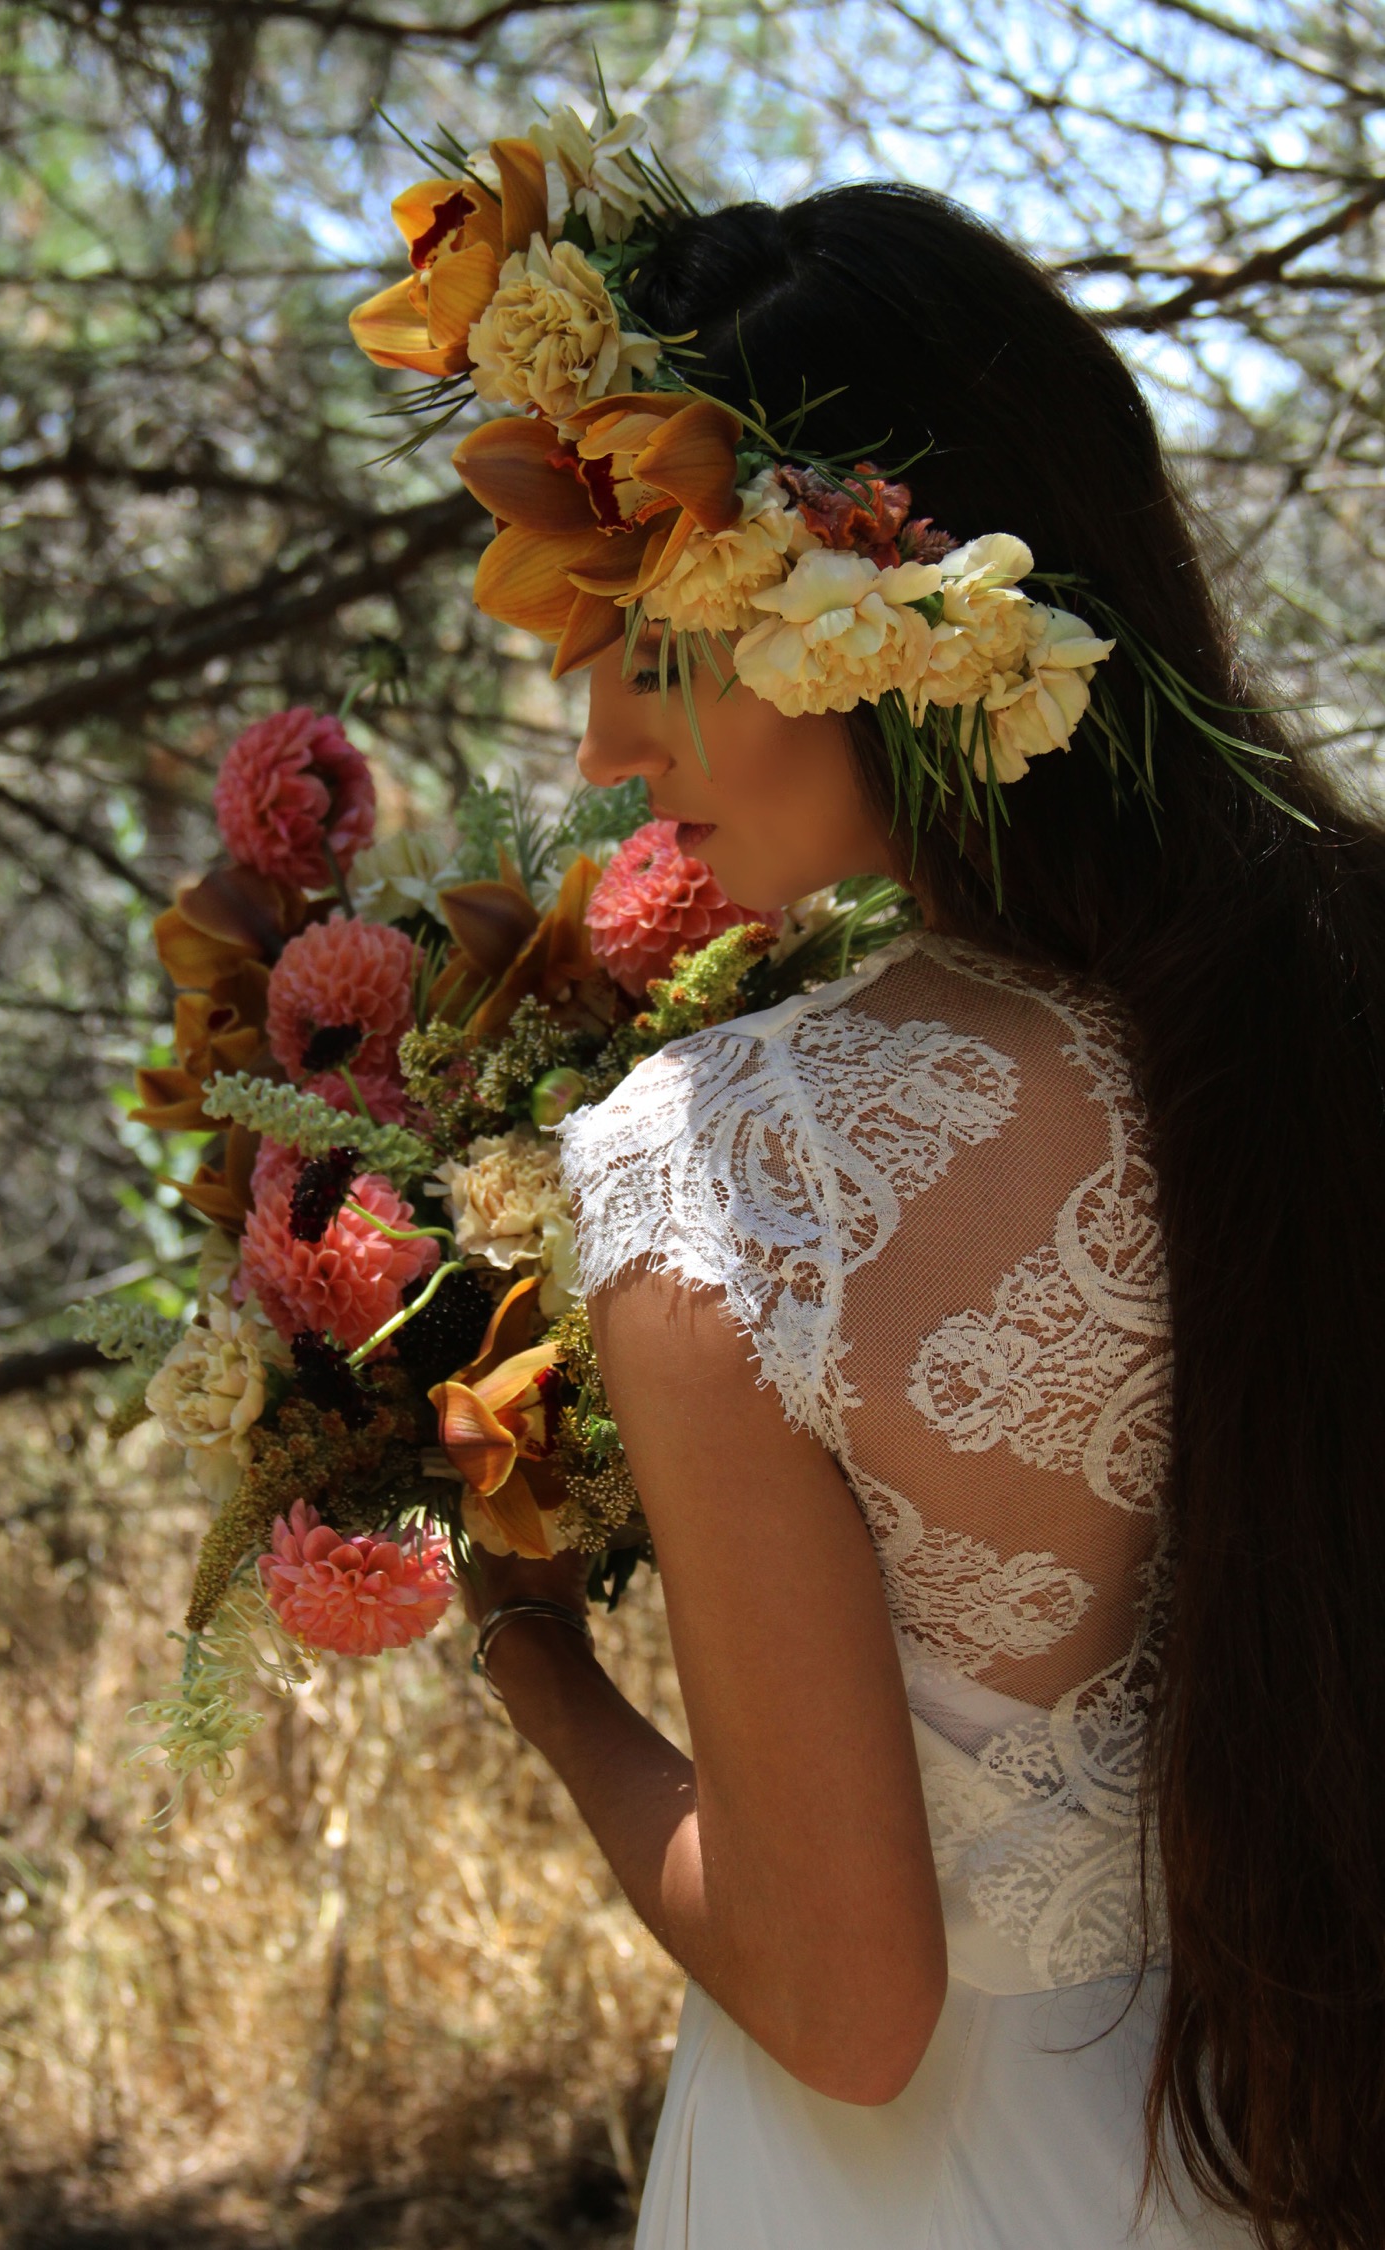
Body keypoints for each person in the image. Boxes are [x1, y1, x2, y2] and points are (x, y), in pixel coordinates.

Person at [447, 186, 1385, 2248]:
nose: (606, 749)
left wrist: (531, 1655)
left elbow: (845, 2005)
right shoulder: (1350, 984)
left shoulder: (733, 1168)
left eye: (662, 648)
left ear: (889, 616)